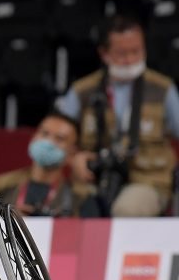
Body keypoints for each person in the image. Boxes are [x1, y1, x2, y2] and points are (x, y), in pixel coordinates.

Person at [55, 15, 179, 217]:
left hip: (148, 180)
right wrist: (73, 158)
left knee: (127, 210)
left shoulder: (163, 89)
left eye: (136, 51)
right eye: (122, 53)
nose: (130, 59)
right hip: (96, 179)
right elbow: (53, 134)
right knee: (73, 206)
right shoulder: (83, 90)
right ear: (104, 53)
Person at [0, 112, 84, 217]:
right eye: (44, 133)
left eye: (59, 138)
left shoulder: (80, 196)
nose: (48, 142)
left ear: (72, 152)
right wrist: (7, 218)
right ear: (33, 138)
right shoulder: (0, 186)